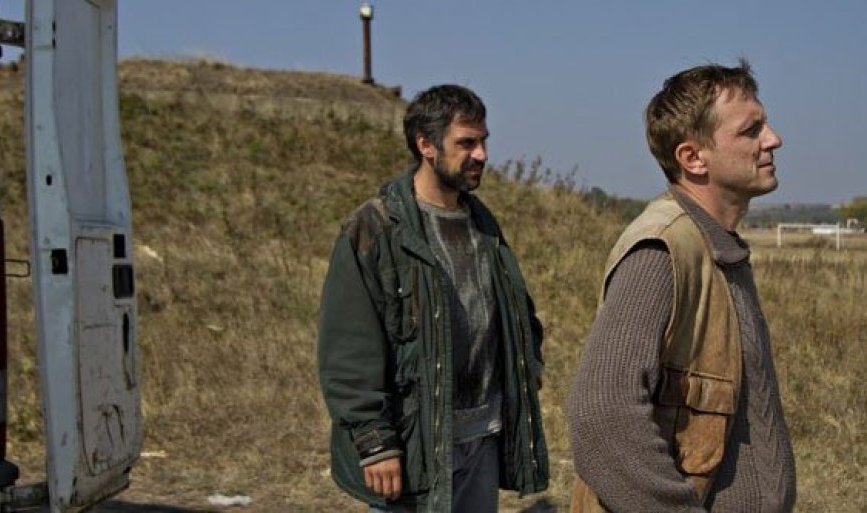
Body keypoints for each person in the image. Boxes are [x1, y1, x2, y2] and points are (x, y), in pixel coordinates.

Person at [566, 60, 796, 512]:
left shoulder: (718, 246)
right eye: (751, 130)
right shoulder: (663, 250)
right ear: (693, 158)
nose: (774, 139)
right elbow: (601, 412)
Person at [317, 84, 548, 513]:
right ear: (426, 145)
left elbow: (517, 308)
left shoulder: (482, 222)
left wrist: (528, 364)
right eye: (466, 143)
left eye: (483, 142)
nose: (481, 155)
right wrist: (374, 442)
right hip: (415, 444)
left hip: (482, 437)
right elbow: (348, 347)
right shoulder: (377, 229)